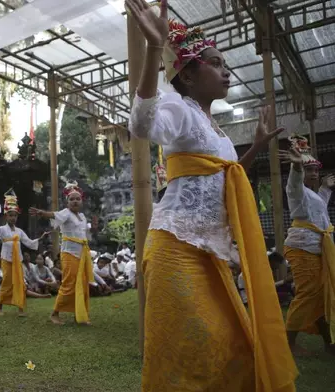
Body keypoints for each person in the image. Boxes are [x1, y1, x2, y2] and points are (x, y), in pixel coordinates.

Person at [125, 0, 296, 389]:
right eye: (216, 64)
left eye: (225, 64)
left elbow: (227, 177)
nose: (226, 70)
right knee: (189, 348)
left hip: (211, 248)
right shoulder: (178, 107)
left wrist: (253, 148)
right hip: (175, 245)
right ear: (186, 75)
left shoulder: (215, 129)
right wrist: (155, 49)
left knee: (233, 341)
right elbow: (140, 125)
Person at [279, 137, 335, 356]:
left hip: (317, 248)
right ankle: (289, 342)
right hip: (303, 248)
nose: (313, 174)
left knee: (323, 294)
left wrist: (325, 189)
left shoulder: (312, 195)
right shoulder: (296, 189)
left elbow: (317, 210)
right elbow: (295, 182)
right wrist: (296, 165)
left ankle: (329, 343)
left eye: (315, 171)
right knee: (308, 293)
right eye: (309, 170)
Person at [30, 181, 95, 326]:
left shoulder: (83, 217)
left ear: (82, 201)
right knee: (69, 283)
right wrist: (42, 213)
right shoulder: (66, 213)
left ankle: (80, 315)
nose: (75, 201)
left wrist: (94, 227)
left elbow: (87, 235)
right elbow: (53, 214)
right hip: (69, 253)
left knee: (83, 284)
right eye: (71, 199)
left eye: (77, 199)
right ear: (67, 202)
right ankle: (55, 313)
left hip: (82, 254)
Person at [0, 190, 48, 316]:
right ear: (6, 216)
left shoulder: (19, 232)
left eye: (15, 215)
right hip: (6, 260)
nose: (13, 218)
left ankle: (20, 308)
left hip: (18, 261)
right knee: (6, 283)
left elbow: (29, 242)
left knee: (20, 283)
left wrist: (41, 238)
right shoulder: (2, 230)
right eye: (10, 215)